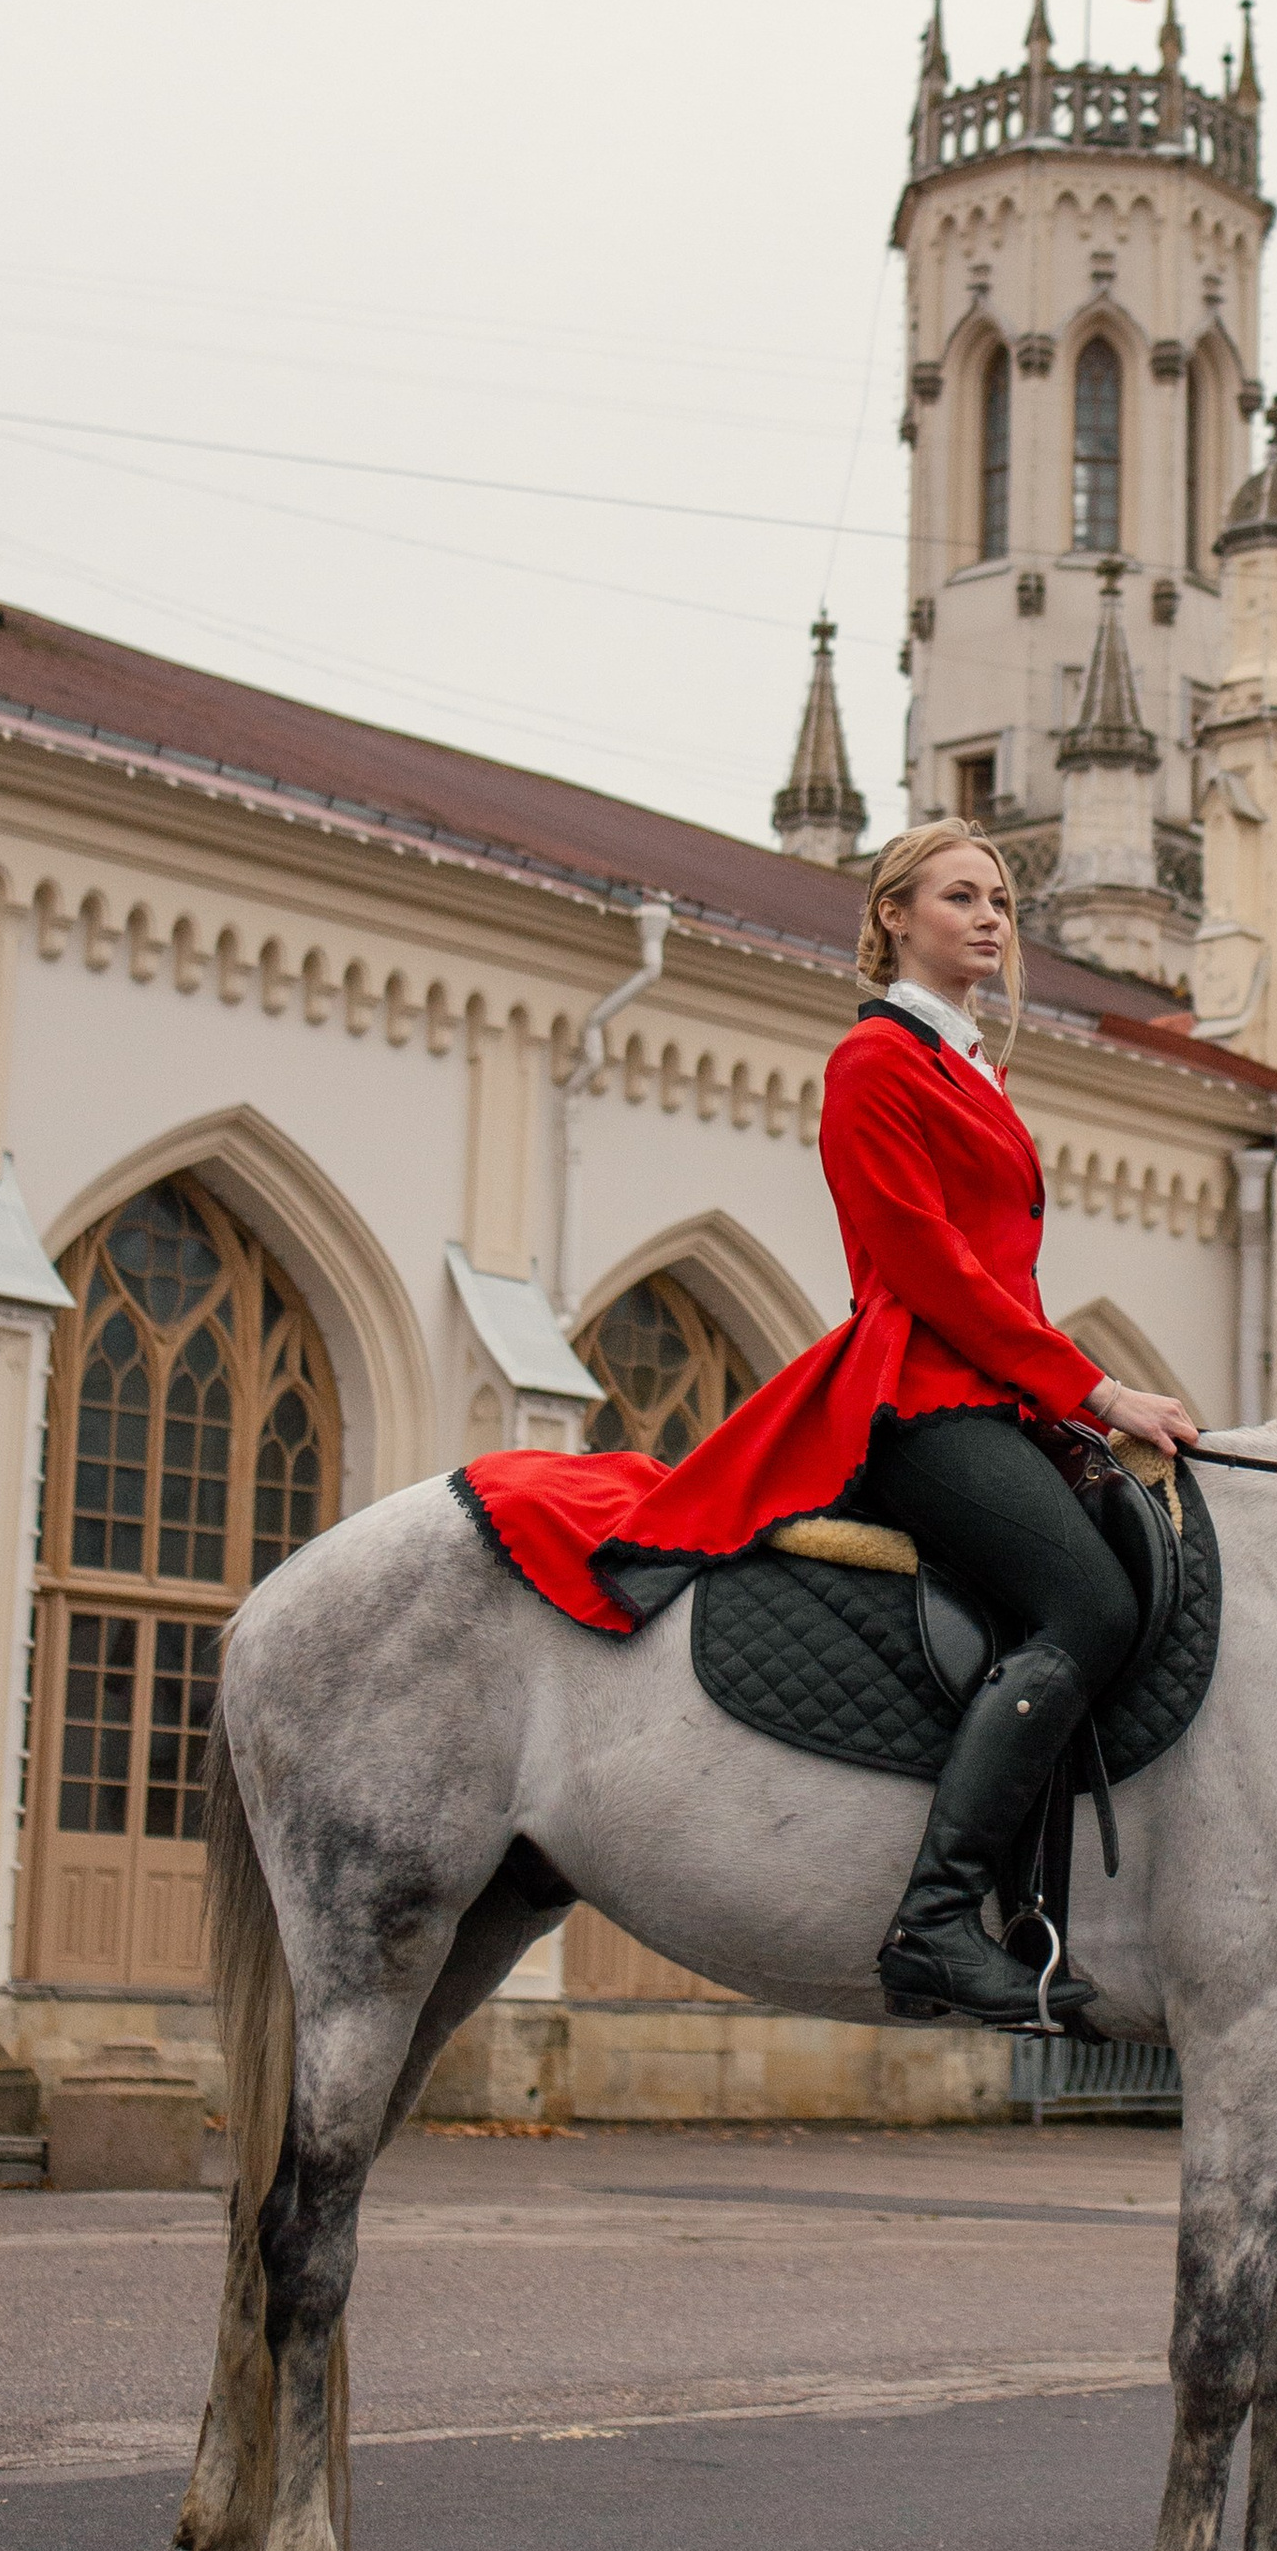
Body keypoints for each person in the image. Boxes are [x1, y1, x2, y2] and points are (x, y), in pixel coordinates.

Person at [458, 822, 1198, 2030]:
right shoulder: (875, 1063)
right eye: (960, 896)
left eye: (1002, 900)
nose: (990, 917)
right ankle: (936, 1924)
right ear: (894, 917)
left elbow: (999, 1283)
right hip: (919, 1397)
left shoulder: (970, 1069)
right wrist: (1096, 1392)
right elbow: (931, 1270)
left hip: (993, 1391)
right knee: (1090, 1608)